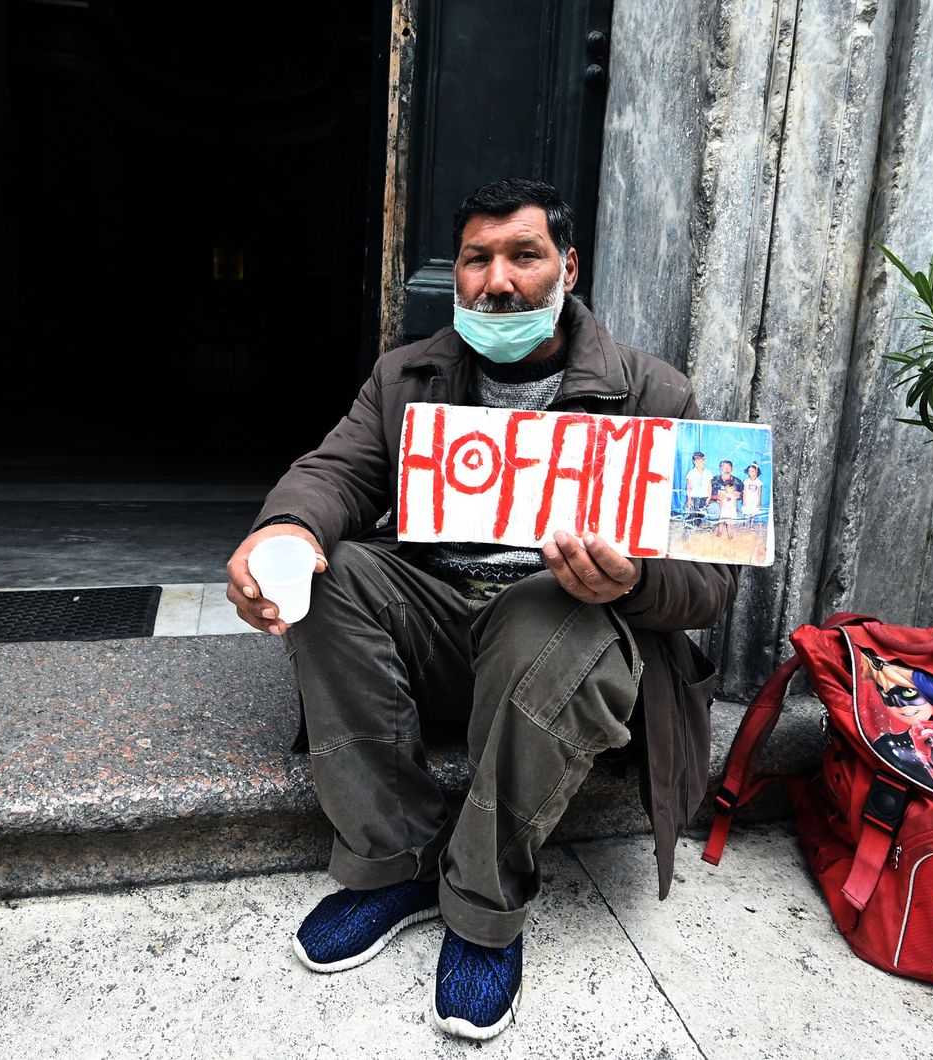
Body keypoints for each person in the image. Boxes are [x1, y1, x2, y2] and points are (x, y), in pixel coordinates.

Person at [225, 178, 736, 1040]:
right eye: (476, 258)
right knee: (335, 571)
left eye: (524, 255)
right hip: (437, 625)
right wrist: (283, 532)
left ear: (568, 267)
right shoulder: (406, 376)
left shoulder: (655, 393)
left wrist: (634, 584)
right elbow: (337, 473)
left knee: (551, 608)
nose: (497, 280)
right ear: (455, 275)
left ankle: (482, 905)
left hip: (560, 644)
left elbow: (712, 584)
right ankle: (398, 861)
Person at [685, 451, 712, 523]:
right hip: (694, 496)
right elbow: (689, 487)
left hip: (704, 496)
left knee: (700, 514)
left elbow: (709, 486)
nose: (699, 463)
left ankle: (696, 526)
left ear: (704, 460)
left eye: (701, 460)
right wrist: (689, 499)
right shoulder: (691, 472)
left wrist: (709, 498)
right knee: (691, 513)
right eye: (697, 461)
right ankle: (688, 529)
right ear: (693, 462)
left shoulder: (708, 473)